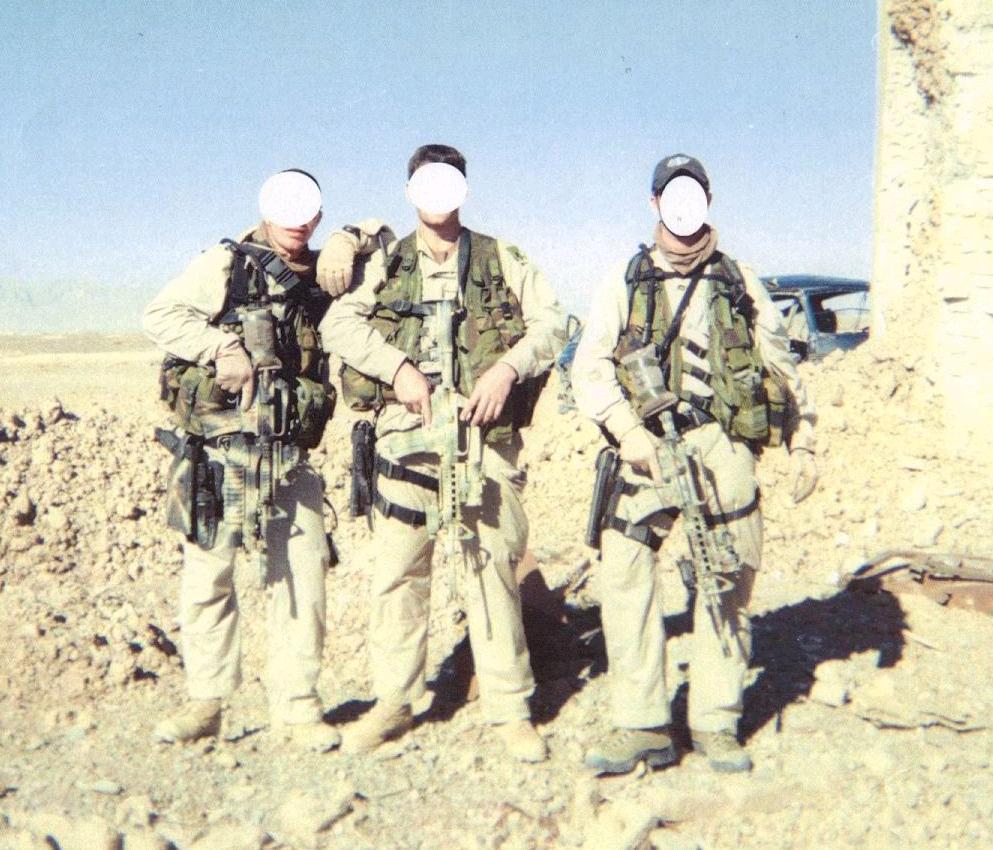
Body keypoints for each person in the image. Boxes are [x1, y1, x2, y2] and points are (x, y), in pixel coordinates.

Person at [317, 144, 565, 762]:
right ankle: (395, 702)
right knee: (399, 573)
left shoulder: (502, 257)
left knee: (492, 568)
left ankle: (509, 707)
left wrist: (507, 370)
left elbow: (553, 323)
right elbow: (337, 326)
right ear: (409, 193)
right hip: (407, 439)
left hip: (484, 438)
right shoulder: (387, 262)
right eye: (425, 183)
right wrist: (397, 368)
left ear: (463, 190)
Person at [571, 153, 818, 775]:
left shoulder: (738, 279)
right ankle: (643, 724)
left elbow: (780, 363)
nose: (683, 208)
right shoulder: (625, 279)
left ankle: (715, 722)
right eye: (671, 196)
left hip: (721, 443)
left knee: (727, 576)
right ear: (655, 204)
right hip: (645, 448)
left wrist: (804, 439)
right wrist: (629, 433)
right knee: (626, 577)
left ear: (708, 201)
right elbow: (589, 368)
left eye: (694, 194)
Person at [142, 169, 342, 752]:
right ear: (265, 209)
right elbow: (159, 315)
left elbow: (383, 249)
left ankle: (298, 708)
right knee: (208, 577)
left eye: (308, 211)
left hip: (288, 459)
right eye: (286, 208)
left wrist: (356, 236)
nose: (297, 222)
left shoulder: (325, 272)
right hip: (220, 454)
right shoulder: (226, 264)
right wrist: (221, 346)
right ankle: (206, 703)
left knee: (302, 579)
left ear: (318, 216)